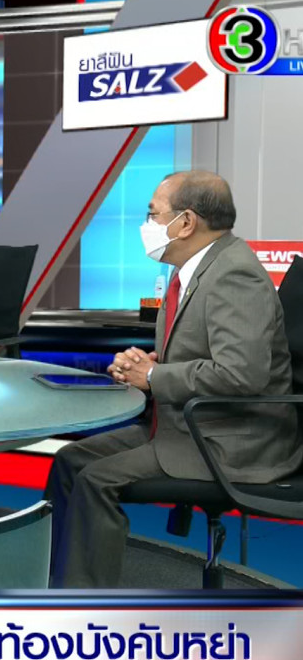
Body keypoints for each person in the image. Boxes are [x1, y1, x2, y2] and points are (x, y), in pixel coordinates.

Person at [45, 171, 302, 588]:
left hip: (228, 441)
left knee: (95, 480)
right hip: (183, 425)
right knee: (69, 461)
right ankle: (54, 581)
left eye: (153, 215)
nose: (147, 225)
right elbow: (199, 355)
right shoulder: (196, 269)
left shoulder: (235, 275)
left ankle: (85, 604)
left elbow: (242, 373)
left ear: (186, 223)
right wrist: (144, 364)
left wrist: (155, 375)